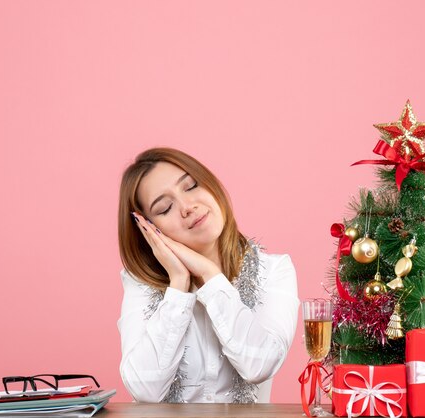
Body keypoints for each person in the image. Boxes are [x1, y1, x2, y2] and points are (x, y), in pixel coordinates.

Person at [117, 148, 299, 403]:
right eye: (165, 207)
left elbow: (261, 365)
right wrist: (179, 285)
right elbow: (144, 389)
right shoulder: (140, 282)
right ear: (148, 229)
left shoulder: (274, 270)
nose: (187, 207)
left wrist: (210, 275)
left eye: (191, 186)